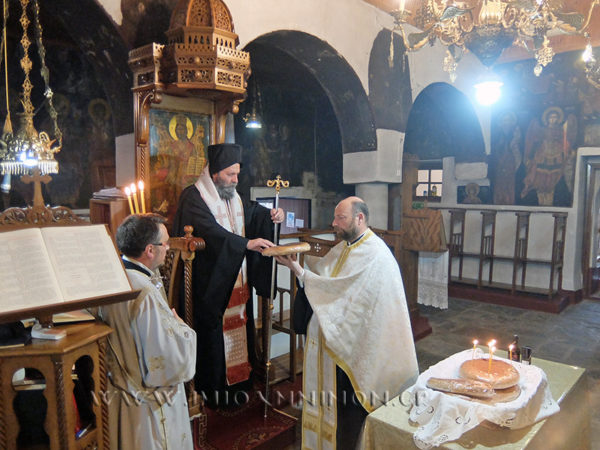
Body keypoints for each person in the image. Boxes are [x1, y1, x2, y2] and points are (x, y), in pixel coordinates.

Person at [275, 196, 419, 449]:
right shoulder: (344, 247)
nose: (334, 223)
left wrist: (300, 272)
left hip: (356, 348)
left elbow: (346, 296)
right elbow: (327, 281)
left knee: (349, 415)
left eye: (340, 218)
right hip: (335, 345)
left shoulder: (376, 254)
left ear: (359, 218)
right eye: (335, 217)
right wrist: (300, 269)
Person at [173, 143, 284, 408]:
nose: (235, 180)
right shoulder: (193, 197)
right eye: (230, 174)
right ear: (214, 173)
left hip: (236, 280)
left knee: (240, 331)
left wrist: (271, 215)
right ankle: (214, 391)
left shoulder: (232, 196)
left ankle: (240, 385)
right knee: (213, 338)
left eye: (237, 174)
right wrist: (244, 244)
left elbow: (251, 212)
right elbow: (209, 231)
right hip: (210, 284)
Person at [97, 214, 196, 449]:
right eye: (166, 243)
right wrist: (183, 328)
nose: (168, 248)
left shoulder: (110, 278)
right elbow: (171, 361)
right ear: (150, 250)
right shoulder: (144, 291)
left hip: (118, 395)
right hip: (149, 405)